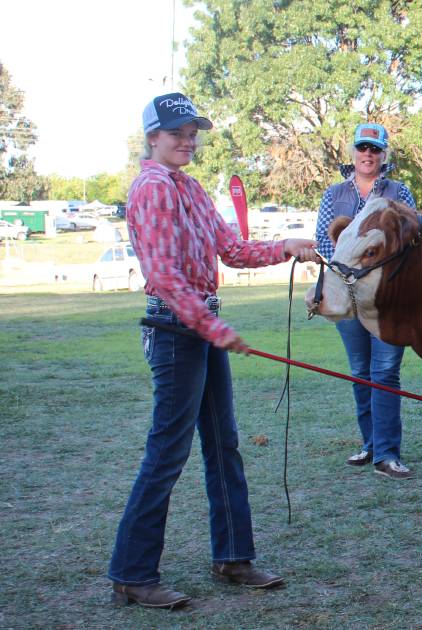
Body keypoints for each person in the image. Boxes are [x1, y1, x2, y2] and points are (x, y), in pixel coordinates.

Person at [109, 92, 320, 609]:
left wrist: (284, 247)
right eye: (177, 132)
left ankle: (233, 557)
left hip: (198, 326)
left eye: (192, 132)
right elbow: (163, 274)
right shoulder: (153, 188)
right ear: (152, 137)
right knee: (168, 452)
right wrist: (209, 325)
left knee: (222, 444)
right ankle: (133, 574)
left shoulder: (191, 188)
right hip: (176, 330)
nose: (188, 140)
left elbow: (232, 249)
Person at [315, 123, 417, 480]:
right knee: (360, 372)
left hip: (387, 299)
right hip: (346, 296)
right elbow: (325, 244)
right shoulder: (334, 195)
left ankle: (388, 453)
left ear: (384, 154)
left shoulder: (399, 191)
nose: (368, 155)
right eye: (363, 148)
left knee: (385, 372)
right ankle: (371, 443)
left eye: (375, 149)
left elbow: (410, 238)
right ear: (353, 153)